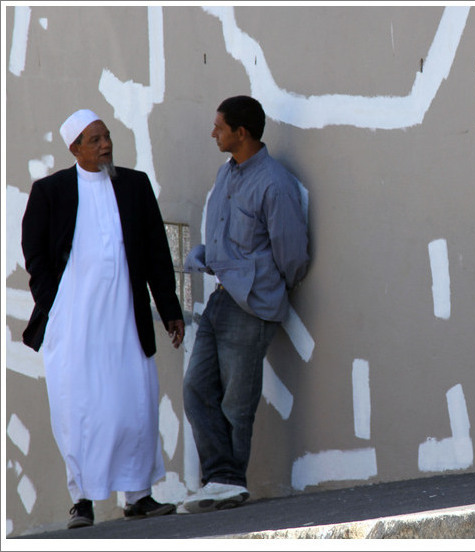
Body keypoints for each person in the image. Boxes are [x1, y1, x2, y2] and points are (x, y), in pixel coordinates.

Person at [21, 109, 186, 529]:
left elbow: (155, 252)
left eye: (107, 137)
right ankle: (82, 500)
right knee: (79, 410)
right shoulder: (51, 191)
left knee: (136, 403)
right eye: (94, 140)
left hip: (126, 318)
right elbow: (35, 254)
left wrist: (168, 308)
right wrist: (52, 303)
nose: (105, 145)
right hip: (74, 324)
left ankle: (139, 496)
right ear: (74, 148)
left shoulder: (133, 185)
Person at [181, 95, 309, 514]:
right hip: (220, 298)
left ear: (242, 132)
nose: (213, 133)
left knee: (237, 400)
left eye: (220, 127)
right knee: (197, 388)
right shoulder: (227, 174)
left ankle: (230, 483)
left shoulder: (274, 182)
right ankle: (220, 477)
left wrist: (269, 288)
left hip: (251, 304)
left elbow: (292, 253)